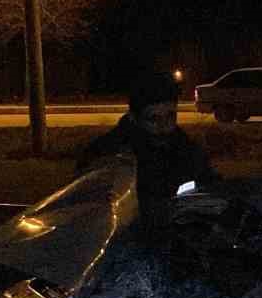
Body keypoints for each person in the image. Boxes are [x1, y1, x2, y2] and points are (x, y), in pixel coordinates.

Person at [77, 70, 216, 231]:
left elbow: (209, 186)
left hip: (176, 239)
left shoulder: (188, 150)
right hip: (125, 243)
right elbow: (89, 209)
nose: (164, 126)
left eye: (170, 116)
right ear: (133, 118)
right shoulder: (108, 153)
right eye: (154, 119)